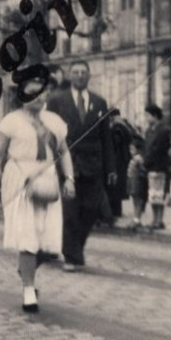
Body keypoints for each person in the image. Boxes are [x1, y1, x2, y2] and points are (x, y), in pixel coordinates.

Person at [0, 79, 75, 313]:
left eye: (41, 92)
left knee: (49, 243)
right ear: (21, 96)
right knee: (28, 236)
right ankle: (28, 291)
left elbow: (64, 152)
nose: (38, 97)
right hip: (19, 178)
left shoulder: (54, 122)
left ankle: (26, 270)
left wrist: (69, 179)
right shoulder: (11, 121)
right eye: (32, 93)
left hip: (48, 178)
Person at [48, 58, 116, 272]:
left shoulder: (99, 102)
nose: (79, 76)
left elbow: (106, 137)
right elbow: (48, 133)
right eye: (75, 72)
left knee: (91, 210)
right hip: (67, 163)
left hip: (93, 165)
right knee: (70, 211)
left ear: (88, 76)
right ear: (70, 76)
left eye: (83, 73)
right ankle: (71, 255)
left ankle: (73, 248)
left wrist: (111, 167)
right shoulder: (57, 100)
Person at [142, 103, 171, 230]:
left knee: (159, 194)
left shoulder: (164, 130)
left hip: (160, 166)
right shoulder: (149, 130)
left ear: (155, 116)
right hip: (150, 166)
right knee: (152, 194)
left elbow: (158, 148)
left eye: (148, 115)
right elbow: (147, 147)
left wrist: (147, 160)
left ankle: (159, 219)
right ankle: (154, 219)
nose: (146, 118)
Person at [107, 108, 136, 220]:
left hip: (117, 160)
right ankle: (117, 210)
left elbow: (115, 144)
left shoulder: (117, 127)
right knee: (119, 186)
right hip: (123, 159)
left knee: (115, 187)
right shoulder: (125, 125)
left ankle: (116, 211)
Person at [126, 136, 148, 227]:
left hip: (137, 181)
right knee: (135, 199)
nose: (130, 151)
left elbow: (143, 170)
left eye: (132, 149)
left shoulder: (138, 159)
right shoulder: (134, 158)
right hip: (132, 181)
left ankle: (137, 218)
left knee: (138, 200)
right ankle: (135, 217)